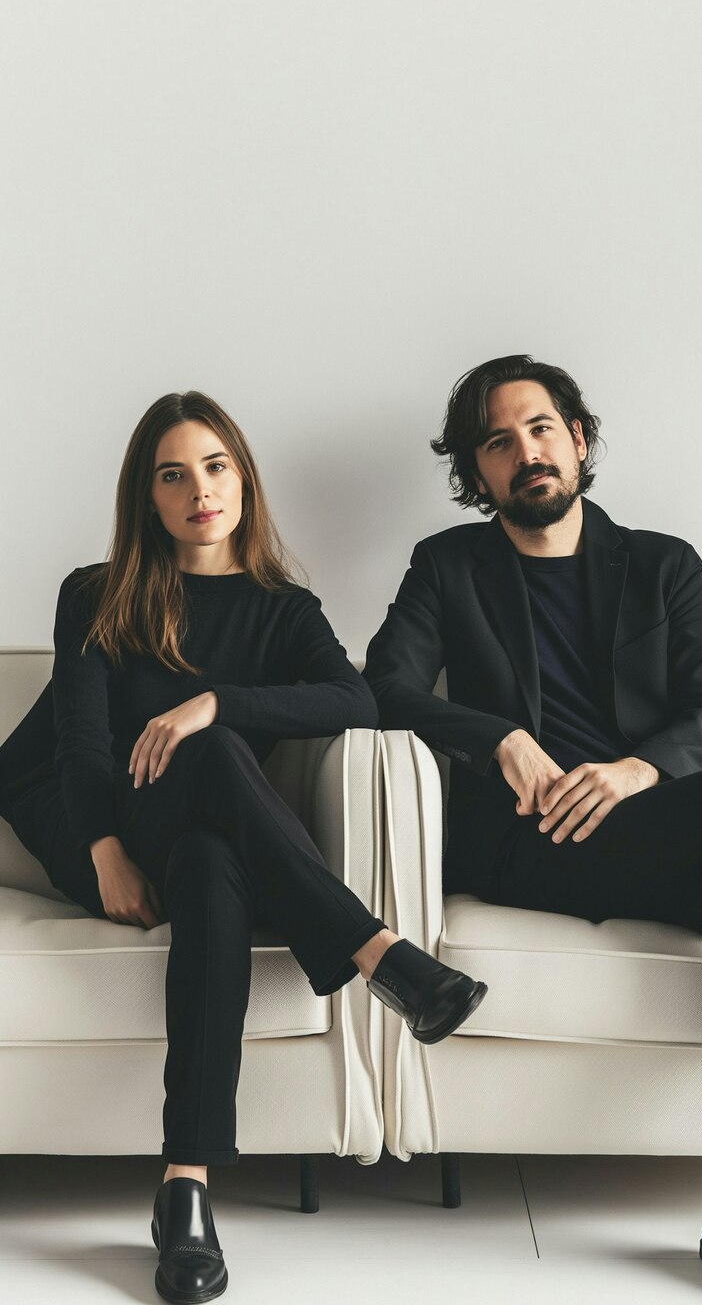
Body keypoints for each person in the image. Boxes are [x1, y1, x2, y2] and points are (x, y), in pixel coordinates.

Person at [0, 390, 487, 1305]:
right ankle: (380, 955)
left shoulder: (282, 610)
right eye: (173, 475)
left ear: (244, 480)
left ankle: (185, 1190)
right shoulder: (96, 593)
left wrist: (216, 700)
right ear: (147, 497)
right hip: (85, 817)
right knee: (217, 766)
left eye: (216, 467)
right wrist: (102, 848)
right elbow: (78, 746)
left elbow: (359, 702)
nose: (199, 490)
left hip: (200, 834)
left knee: (215, 864)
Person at [363, 354, 702, 1305]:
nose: (526, 452)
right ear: (476, 474)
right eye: (498, 441)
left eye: (542, 429)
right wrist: (501, 739)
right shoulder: (447, 567)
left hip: (650, 832)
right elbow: (385, 685)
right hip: (526, 842)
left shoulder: (663, 564)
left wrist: (639, 769)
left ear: (580, 441)